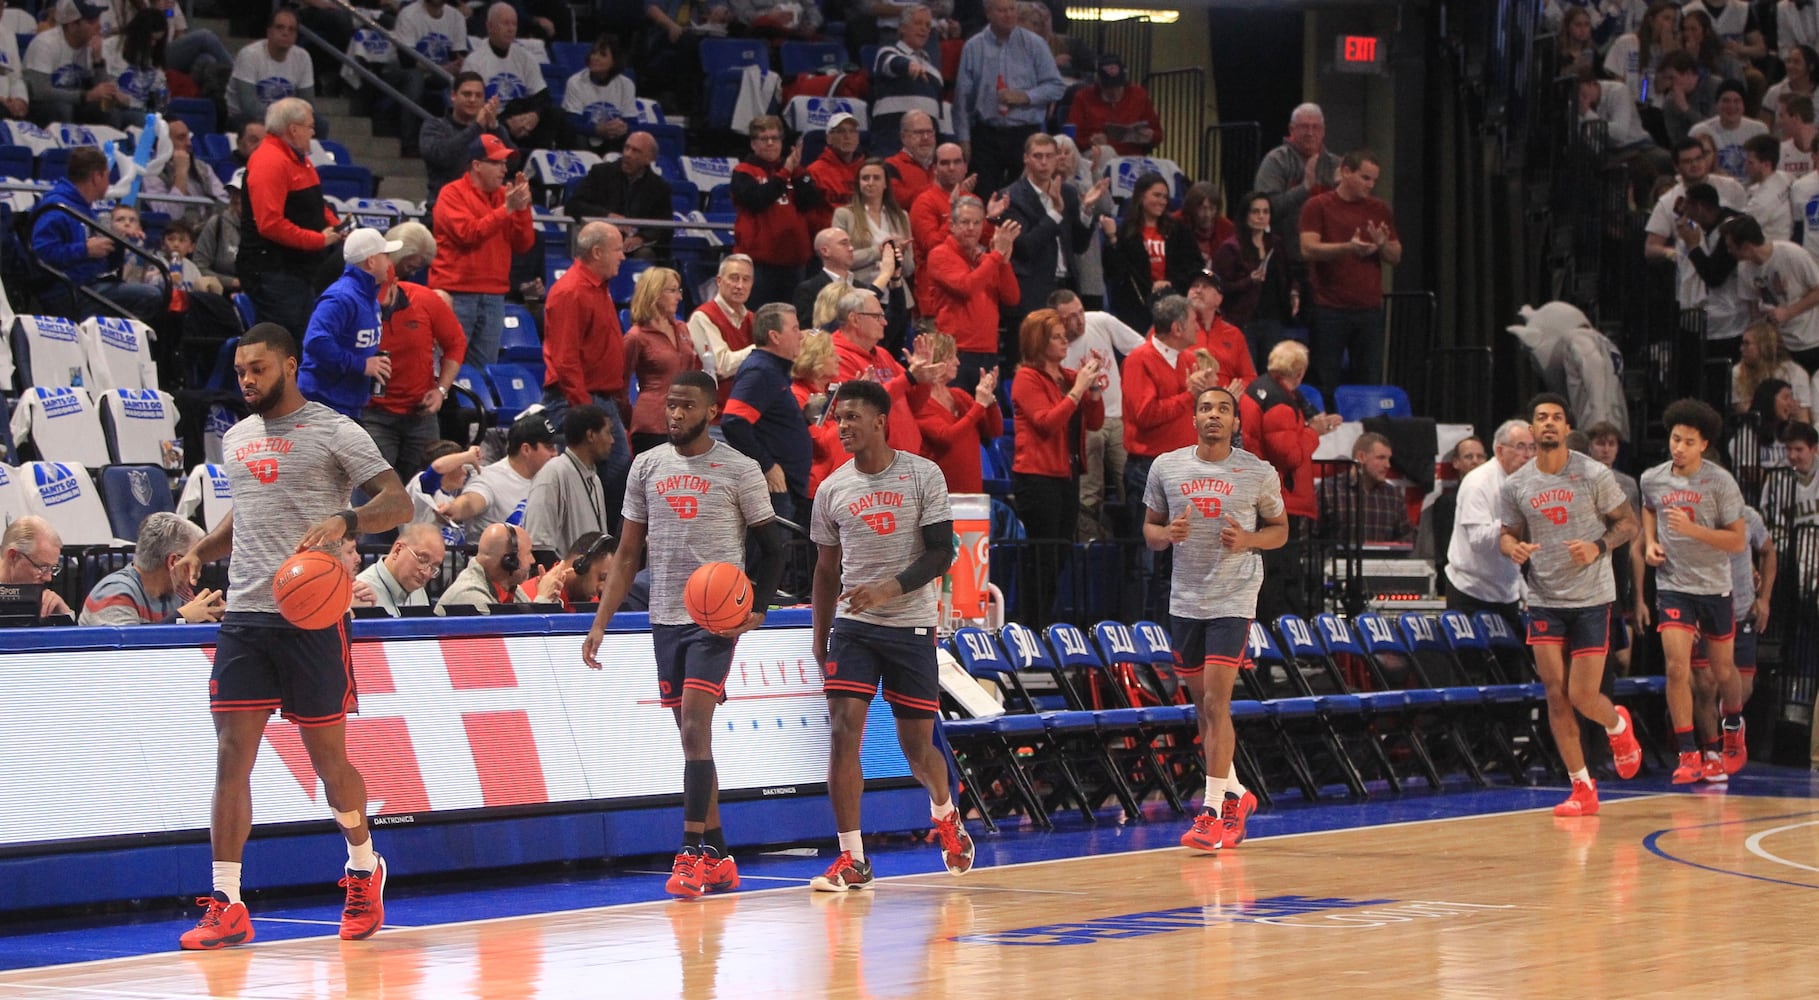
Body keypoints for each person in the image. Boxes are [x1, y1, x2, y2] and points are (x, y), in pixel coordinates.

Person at [170, 322, 409, 950]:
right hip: (247, 616)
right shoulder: (238, 436)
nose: (246, 380)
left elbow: (398, 502)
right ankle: (227, 900)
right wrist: (205, 545)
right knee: (231, 756)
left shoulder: (334, 429)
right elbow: (250, 507)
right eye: (241, 370)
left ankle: (364, 864)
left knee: (330, 764)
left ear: (290, 365)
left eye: (258, 369)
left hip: (313, 617)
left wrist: (347, 518)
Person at [582, 369, 786, 897]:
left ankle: (691, 853)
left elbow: (776, 548)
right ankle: (719, 855)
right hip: (663, 619)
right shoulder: (645, 466)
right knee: (690, 742)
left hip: (715, 622)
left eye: (686, 406)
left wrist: (758, 610)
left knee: (696, 731)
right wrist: (600, 623)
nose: (674, 414)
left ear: (710, 412)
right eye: (670, 405)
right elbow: (627, 553)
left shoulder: (739, 470)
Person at [807, 378, 973, 891]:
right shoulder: (833, 488)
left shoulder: (923, 475)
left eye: (853, 417)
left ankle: (945, 814)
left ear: (881, 421)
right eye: (839, 419)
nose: (845, 427)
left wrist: (888, 589)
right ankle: (852, 858)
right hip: (855, 629)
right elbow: (824, 569)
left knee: (917, 748)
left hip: (911, 625)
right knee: (842, 733)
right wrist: (821, 632)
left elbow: (943, 552)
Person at [1143, 385, 1286, 852]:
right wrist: (1167, 532)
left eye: (1224, 409)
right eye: (1206, 408)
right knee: (1203, 708)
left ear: (1236, 423)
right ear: (1194, 418)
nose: (1214, 416)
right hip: (1186, 598)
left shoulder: (1257, 472)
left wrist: (1248, 540)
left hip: (1234, 596)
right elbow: (1150, 532)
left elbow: (1280, 531)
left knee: (1216, 704)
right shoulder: (1167, 466)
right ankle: (1238, 794)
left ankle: (1209, 810)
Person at [1497, 394, 1643, 817]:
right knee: (1555, 696)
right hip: (1544, 598)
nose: (1548, 424)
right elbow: (1506, 533)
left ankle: (1618, 725)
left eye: (1556, 418)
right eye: (1541, 417)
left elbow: (1629, 524)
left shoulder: (1593, 473)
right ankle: (1582, 787)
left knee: (1582, 694)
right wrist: (1514, 548)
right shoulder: (1517, 484)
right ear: (1531, 427)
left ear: (1565, 428)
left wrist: (1597, 546)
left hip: (1593, 598)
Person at [1638, 398, 1751, 783]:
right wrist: (1650, 543)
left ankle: (1733, 722)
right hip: (1673, 584)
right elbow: (1649, 508)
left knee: (1721, 670)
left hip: (1714, 586)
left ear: (1703, 444)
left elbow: (1737, 542)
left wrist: (1693, 531)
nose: (1679, 448)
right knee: (1675, 667)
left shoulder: (1720, 482)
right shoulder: (1653, 478)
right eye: (1674, 439)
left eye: (1688, 442)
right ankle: (1688, 752)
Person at [1240, 340, 1343, 623]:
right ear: (1299, 372)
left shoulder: (1264, 389)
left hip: (1268, 495)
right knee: (1278, 577)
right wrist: (1313, 433)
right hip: (1280, 499)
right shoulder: (1279, 403)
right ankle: (1276, 646)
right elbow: (1290, 456)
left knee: (1273, 574)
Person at [542, 222, 632, 524]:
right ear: (597, 252)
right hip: (579, 401)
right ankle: (593, 546)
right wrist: (587, 414)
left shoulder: (598, 288)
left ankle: (603, 547)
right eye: (618, 249)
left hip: (599, 399)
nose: (623, 256)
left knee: (617, 472)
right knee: (610, 471)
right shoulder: (571, 291)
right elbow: (565, 359)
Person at [363, 223, 465, 482]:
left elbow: (456, 343)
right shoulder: (353, 305)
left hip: (420, 414)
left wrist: (441, 390)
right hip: (374, 414)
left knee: (426, 489)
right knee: (379, 492)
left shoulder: (426, 300)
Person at [1298, 149, 1402, 397]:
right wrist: (1348, 247)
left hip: (1369, 309)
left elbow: (1396, 256)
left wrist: (1382, 244)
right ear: (1346, 172)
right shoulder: (1318, 206)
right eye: (1365, 178)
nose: (1371, 185)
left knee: (1369, 377)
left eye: (1374, 180)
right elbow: (1308, 248)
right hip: (1329, 308)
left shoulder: (1379, 209)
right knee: (1326, 377)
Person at [239, 98, 342, 339]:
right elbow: (270, 224)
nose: (313, 132)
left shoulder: (300, 160)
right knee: (282, 344)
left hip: (299, 271)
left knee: (300, 340)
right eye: (309, 126)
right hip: (274, 272)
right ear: (293, 129)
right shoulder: (270, 161)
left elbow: (316, 205)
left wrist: (335, 226)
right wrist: (318, 240)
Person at [431, 134, 535, 369]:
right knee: (446, 365)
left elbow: (523, 243)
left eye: (505, 163)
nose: (504, 169)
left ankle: (477, 407)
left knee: (485, 369)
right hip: (456, 294)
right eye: (497, 162)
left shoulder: (504, 195)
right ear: (477, 165)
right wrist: (507, 209)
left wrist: (522, 209)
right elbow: (468, 234)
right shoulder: (452, 194)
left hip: (494, 295)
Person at [29, 146, 163, 322]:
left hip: (87, 284)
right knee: (150, 295)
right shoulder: (57, 208)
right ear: (96, 177)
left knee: (156, 293)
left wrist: (119, 242)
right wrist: (84, 249)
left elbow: (102, 265)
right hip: (65, 290)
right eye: (107, 176)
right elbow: (40, 255)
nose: (109, 183)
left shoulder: (83, 208)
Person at [953, 0, 1065, 197]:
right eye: (1002, 10)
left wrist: (1026, 96)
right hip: (985, 134)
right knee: (983, 196)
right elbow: (962, 98)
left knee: (1024, 198)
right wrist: (963, 139)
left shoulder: (1035, 44)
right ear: (988, 13)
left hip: (1024, 134)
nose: (1008, 15)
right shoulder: (973, 47)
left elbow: (1056, 87)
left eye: (1012, 9)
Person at [1000, 133, 1107, 338]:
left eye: (1049, 156)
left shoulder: (1067, 193)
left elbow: (1078, 246)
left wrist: (1086, 209)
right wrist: (1055, 214)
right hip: (1032, 291)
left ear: (1057, 158)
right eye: (1037, 156)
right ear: (1026, 158)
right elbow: (1025, 248)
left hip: (1066, 287)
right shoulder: (1010, 197)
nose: (1044, 162)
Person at [1011, 307, 1105, 541]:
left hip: (1068, 474)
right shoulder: (1026, 378)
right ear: (1038, 341)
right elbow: (1047, 423)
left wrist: (1093, 388)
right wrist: (1077, 391)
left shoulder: (1070, 377)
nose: (1065, 341)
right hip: (1038, 477)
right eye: (1056, 337)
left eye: (1065, 336)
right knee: (1044, 557)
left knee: (1062, 551)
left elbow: (1095, 423)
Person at [1055, 288, 1145, 531]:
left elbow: (1142, 350)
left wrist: (1132, 382)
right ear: (1057, 320)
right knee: (1088, 492)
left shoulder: (1101, 321)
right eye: (1071, 317)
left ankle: (1134, 548)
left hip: (1118, 418)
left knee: (1132, 486)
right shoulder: (1055, 347)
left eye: (1081, 312)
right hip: (1084, 423)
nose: (1080, 320)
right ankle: (1089, 548)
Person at [1122, 294, 1212, 514]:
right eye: (1193, 322)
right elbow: (1146, 415)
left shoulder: (1189, 359)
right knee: (1148, 546)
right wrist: (1190, 395)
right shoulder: (1139, 360)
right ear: (1177, 329)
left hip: (1187, 466)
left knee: (1183, 546)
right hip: (1151, 468)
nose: (1198, 329)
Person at [299, 229, 401, 419]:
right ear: (371, 261)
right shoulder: (340, 297)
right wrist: (361, 364)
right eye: (385, 255)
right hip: (323, 405)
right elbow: (315, 342)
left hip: (347, 404)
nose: (389, 263)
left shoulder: (369, 298)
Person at [925, 195, 1021, 394]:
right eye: (965, 222)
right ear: (952, 225)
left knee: (987, 421)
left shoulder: (986, 260)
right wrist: (996, 256)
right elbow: (966, 287)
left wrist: (1003, 261)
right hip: (955, 353)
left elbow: (1012, 298)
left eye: (977, 222)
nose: (971, 228)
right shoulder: (940, 254)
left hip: (988, 352)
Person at [832, 290, 937, 455]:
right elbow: (861, 408)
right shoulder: (836, 357)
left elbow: (915, 404)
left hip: (904, 458)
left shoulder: (882, 354)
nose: (885, 322)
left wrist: (923, 378)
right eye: (877, 316)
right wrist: (909, 377)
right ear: (854, 319)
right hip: (874, 463)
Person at [732, 116, 818, 309]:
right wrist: (785, 173)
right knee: (758, 318)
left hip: (795, 263)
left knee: (791, 319)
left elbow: (810, 202)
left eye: (775, 138)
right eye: (764, 139)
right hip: (758, 265)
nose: (770, 143)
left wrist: (796, 172)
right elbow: (757, 200)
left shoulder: (795, 172)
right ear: (754, 144)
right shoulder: (743, 172)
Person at [440, 412, 559, 539]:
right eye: (549, 448)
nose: (555, 454)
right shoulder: (489, 479)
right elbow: (470, 501)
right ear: (526, 449)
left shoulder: (551, 480)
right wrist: (454, 509)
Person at [83, 514, 218, 625]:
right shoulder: (114, 593)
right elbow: (128, 651)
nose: (198, 573)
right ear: (173, 562)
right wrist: (182, 617)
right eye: (194, 563)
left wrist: (215, 618)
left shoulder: (179, 594)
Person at [1214, 190, 1296, 373]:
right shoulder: (1231, 247)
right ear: (1245, 215)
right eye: (1255, 211)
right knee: (1247, 373)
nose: (1261, 216)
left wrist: (1294, 292)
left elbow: (1289, 275)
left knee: (1274, 372)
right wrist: (1248, 281)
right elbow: (1220, 287)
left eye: (1265, 212)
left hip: (1273, 318)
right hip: (1244, 320)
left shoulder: (1276, 244)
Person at [624, 267, 702, 454]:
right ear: (655, 294)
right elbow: (620, 385)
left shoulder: (682, 328)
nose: (679, 297)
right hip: (652, 425)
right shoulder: (636, 336)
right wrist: (629, 418)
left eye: (679, 290)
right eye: (672, 291)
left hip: (684, 422)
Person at [1252, 103, 1341, 267]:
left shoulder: (1336, 165)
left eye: (1316, 127)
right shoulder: (1276, 161)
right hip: (1285, 261)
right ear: (1292, 130)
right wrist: (1304, 188)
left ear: (1324, 131)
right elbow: (1265, 210)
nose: (1310, 133)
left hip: (1328, 261)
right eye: (1304, 127)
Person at [911, 330, 1001, 493]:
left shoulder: (959, 396)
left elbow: (995, 430)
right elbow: (947, 437)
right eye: (952, 357)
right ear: (937, 360)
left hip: (972, 491)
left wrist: (990, 399)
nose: (958, 362)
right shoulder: (920, 402)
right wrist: (980, 404)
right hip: (939, 496)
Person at [1726, 214, 1819, 370]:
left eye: (1731, 246)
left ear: (1746, 247)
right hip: (1778, 346)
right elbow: (1753, 306)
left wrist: (1789, 312)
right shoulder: (1744, 267)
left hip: (1809, 341)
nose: (1728, 251)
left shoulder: (1792, 254)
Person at [519, 403, 612, 555]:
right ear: (591, 435)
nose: (612, 440)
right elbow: (539, 546)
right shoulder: (552, 474)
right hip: (562, 577)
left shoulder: (594, 480)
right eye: (608, 433)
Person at [563, 130, 672, 257]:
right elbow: (573, 206)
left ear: (649, 159)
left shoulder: (659, 187)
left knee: (644, 254)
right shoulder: (601, 173)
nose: (627, 154)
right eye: (627, 148)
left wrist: (641, 238)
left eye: (635, 151)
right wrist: (607, 216)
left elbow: (664, 226)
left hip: (632, 247)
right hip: (601, 241)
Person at [464, 3, 557, 149]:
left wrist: (534, 115)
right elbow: (470, 107)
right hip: (493, 123)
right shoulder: (474, 61)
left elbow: (543, 96)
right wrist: (505, 123)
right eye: (505, 23)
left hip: (525, 120)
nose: (511, 28)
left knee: (556, 115)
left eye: (514, 24)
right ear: (489, 27)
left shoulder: (526, 58)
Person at [421, 72, 516, 211]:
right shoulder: (435, 126)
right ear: (453, 96)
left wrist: (495, 127)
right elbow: (442, 157)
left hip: (487, 210)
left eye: (478, 96)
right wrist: (476, 127)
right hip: (445, 209)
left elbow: (512, 163)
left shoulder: (493, 129)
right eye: (467, 94)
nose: (472, 100)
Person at [1100, 171, 1178, 333]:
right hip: (1135, 308)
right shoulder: (1125, 231)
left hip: (1172, 305)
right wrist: (1112, 238)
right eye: (1157, 195)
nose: (1162, 201)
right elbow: (1114, 271)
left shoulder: (1178, 231)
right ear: (1142, 196)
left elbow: (1191, 266)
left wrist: (1170, 283)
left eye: (1165, 197)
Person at [392, 0, 469, 156]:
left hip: (441, 72)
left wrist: (458, 65)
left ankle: (461, 142)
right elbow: (407, 60)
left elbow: (459, 54)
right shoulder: (408, 14)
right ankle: (408, 144)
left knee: (466, 81)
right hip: (405, 71)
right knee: (415, 79)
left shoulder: (456, 17)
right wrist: (441, 68)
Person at [24, 0, 118, 127]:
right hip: (41, 106)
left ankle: (100, 146)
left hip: (76, 103)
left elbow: (105, 94)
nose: (99, 27)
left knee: (106, 110)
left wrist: (98, 62)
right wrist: (85, 96)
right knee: (62, 109)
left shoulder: (93, 45)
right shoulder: (45, 43)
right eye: (91, 22)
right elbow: (40, 91)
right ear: (72, 26)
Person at [834, 158, 915, 304]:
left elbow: (909, 269)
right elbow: (838, 260)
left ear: (885, 184)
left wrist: (900, 253)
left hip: (896, 298)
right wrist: (879, 251)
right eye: (865, 178)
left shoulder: (900, 216)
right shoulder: (844, 215)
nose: (870, 182)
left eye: (876, 178)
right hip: (859, 297)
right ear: (858, 183)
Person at [795, 227, 901, 332]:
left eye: (850, 243)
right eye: (843, 243)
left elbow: (889, 326)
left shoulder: (860, 286)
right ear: (825, 251)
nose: (851, 248)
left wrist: (895, 279)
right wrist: (884, 275)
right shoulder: (809, 290)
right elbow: (810, 333)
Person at [872, 10, 942, 161]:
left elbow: (940, 116)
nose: (924, 28)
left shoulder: (935, 72)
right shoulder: (888, 52)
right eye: (918, 23)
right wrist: (908, 65)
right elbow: (891, 63)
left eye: (928, 25)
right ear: (902, 28)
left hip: (925, 155)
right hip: (890, 145)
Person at [688, 254, 757, 405]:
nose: (740, 285)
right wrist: (761, 349)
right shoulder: (702, 317)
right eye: (734, 278)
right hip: (713, 415)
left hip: (745, 411)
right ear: (719, 281)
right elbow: (721, 366)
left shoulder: (753, 319)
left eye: (746, 280)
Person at [1322, 431, 1414, 544]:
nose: (1388, 465)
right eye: (1381, 458)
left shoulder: (1393, 496)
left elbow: (1407, 538)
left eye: (1388, 459)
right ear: (1361, 457)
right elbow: (1308, 539)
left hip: (1381, 561)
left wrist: (1396, 545)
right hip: (1338, 560)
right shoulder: (1329, 490)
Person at [228, 9, 314, 127]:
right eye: (280, 27)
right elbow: (249, 106)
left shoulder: (303, 57)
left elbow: (307, 104)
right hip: (245, 118)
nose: (285, 33)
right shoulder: (249, 55)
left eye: (291, 29)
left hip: (284, 120)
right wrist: (283, 119)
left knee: (319, 123)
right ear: (269, 32)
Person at [1068, 52, 1162, 158]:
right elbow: (1072, 138)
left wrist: (1150, 136)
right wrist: (1090, 141)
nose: (1114, 92)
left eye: (1118, 86)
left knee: (1168, 167)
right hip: (1097, 154)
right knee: (1106, 152)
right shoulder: (1083, 97)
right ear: (1098, 80)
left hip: (1133, 156)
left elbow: (1158, 134)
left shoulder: (1138, 94)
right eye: (1108, 87)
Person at [143, 119, 233, 225]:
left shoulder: (202, 167)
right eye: (181, 138)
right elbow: (171, 215)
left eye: (188, 137)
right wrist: (181, 173)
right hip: (176, 234)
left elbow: (225, 202)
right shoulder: (151, 172)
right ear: (162, 142)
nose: (189, 143)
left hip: (206, 229)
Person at [791, 331, 845, 497]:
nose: (839, 359)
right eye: (831, 354)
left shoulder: (830, 393)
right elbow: (822, 444)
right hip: (817, 490)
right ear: (815, 359)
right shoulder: (797, 396)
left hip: (839, 484)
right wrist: (848, 417)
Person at [436, 522, 535, 613]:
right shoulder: (469, 596)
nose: (533, 560)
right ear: (509, 561)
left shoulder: (510, 588)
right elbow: (506, 631)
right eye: (528, 553)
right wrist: (544, 599)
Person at [563, 34, 636, 154]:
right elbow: (572, 123)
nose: (594, 58)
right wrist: (597, 130)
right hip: (583, 139)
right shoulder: (575, 82)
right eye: (593, 53)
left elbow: (632, 121)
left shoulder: (626, 84)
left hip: (613, 139)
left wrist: (622, 127)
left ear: (615, 61)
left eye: (602, 55)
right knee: (577, 137)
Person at [353, 522, 446, 617]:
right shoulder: (361, 593)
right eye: (422, 559)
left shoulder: (419, 591)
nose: (426, 573)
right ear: (398, 550)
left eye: (433, 567)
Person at [1186, 270, 1256, 390]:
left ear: (1219, 299)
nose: (1198, 290)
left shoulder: (1234, 334)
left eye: (1206, 287)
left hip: (1226, 401)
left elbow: (1249, 377)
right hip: (1187, 398)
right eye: (1194, 286)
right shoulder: (1174, 328)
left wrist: (1230, 393)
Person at [0, 516, 75, 620]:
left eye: (52, 568)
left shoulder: (44, 600)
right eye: (42, 567)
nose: (48, 578)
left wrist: (64, 615)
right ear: (13, 556)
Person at [804, 112, 865, 237]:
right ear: (829, 138)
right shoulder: (815, 171)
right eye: (841, 131)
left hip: (865, 236)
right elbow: (811, 216)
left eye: (852, 131)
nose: (847, 136)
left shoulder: (867, 169)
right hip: (831, 238)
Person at [1734, 321, 1814, 415]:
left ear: (1764, 346)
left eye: (1747, 344)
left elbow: (1802, 419)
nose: (1741, 348)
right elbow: (1745, 415)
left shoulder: (1796, 373)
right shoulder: (1738, 372)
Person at [1741, 134, 1793, 241]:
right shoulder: (1786, 177)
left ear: (1766, 164)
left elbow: (1739, 231)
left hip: (1770, 252)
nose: (1746, 166)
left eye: (1751, 162)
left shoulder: (1760, 202)